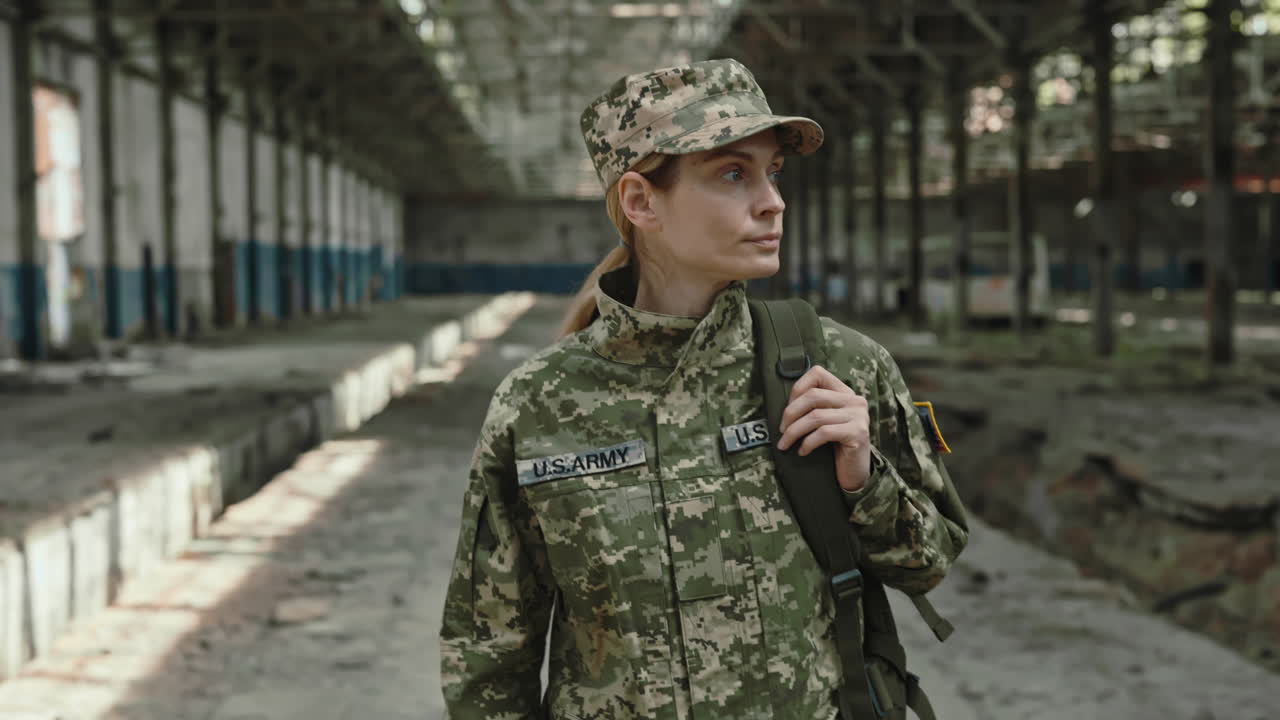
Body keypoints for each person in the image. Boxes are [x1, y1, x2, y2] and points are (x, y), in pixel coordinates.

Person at [440, 58, 968, 720]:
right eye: (732, 173)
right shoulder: (537, 403)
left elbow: (932, 561)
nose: (773, 200)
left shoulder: (840, 366)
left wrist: (865, 479)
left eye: (772, 171)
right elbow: (489, 653)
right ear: (640, 202)